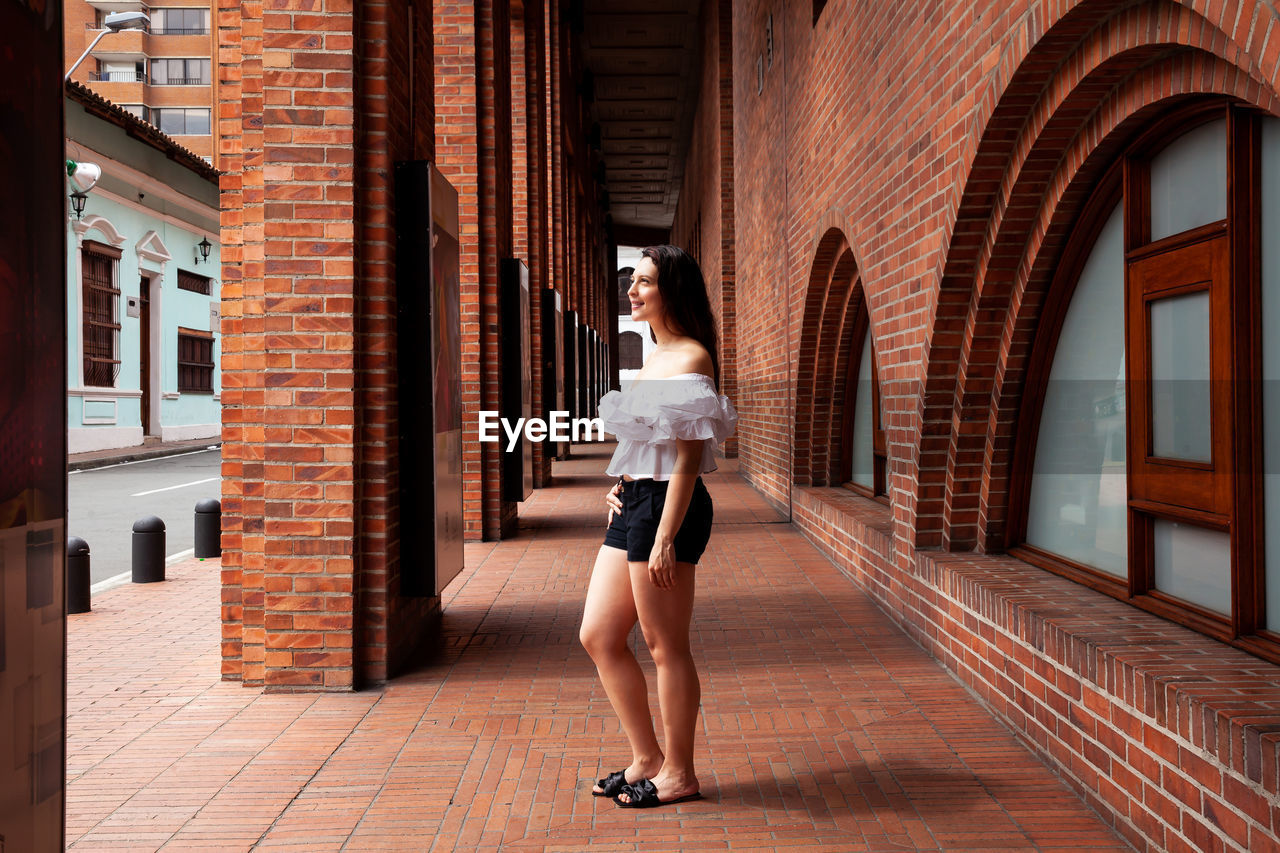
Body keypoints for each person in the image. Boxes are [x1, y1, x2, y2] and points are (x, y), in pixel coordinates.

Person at [579, 245, 737, 808]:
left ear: (671, 289)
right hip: (636, 501)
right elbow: (646, 442)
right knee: (598, 635)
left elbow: (688, 459)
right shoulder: (653, 359)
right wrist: (618, 481)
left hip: (671, 507)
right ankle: (646, 757)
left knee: (664, 644)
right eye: (632, 281)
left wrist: (667, 536)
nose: (632, 291)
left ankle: (680, 773)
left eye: (643, 282)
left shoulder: (692, 357)